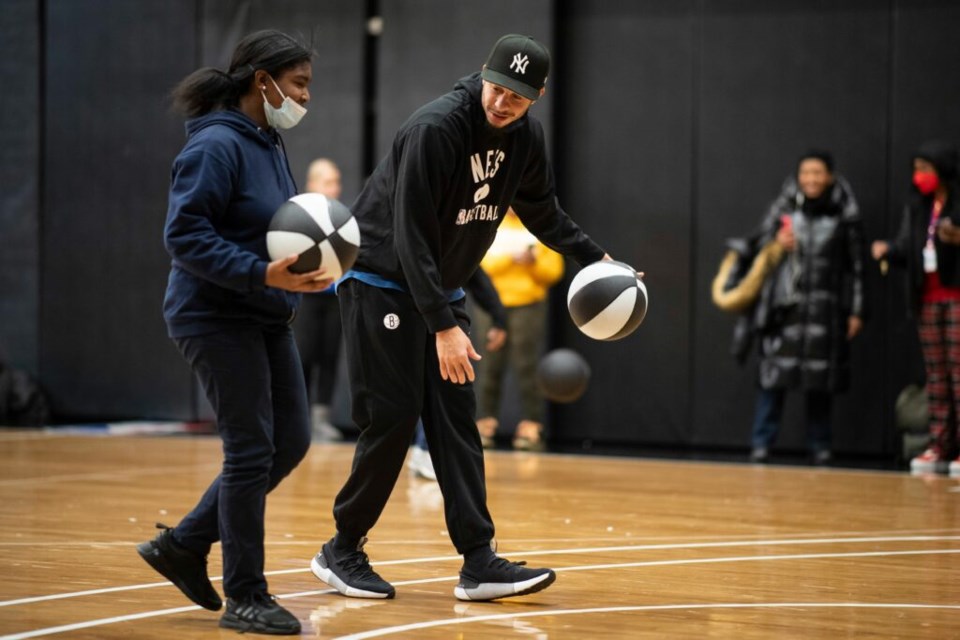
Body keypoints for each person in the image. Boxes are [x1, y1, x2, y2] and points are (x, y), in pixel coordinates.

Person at [309, 34, 615, 602]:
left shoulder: (525, 137)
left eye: (517, 98)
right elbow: (411, 233)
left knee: (456, 420)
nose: (503, 103)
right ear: (482, 75)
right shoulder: (436, 129)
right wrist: (445, 324)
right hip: (380, 278)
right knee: (395, 417)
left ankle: (478, 562)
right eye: (497, 89)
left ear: (538, 95)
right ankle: (341, 550)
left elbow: (542, 211)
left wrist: (598, 259)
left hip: (436, 285)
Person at [137, 30, 327, 635]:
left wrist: (307, 268)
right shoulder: (216, 145)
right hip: (212, 315)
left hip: (262, 311)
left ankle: (184, 544)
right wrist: (259, 271)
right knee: (249, 453)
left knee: (290, 441)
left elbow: (278, 227)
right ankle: (246, 596)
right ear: (261, 80)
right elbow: (184, 236)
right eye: (298, 83)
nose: (304, 96)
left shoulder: (267, 141)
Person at [746, 150, 866, 466]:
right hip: (786, 308)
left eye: (818, 172)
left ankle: (820, 446)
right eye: (805, 173)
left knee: (820, 380)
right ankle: (761, 443)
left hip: (826, 309)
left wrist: (857, 310)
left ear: (829, 176)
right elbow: (755, 246)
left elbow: (857, 267)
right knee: (773, 376)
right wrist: (775, 242)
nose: (811, 179)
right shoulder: (784, 208)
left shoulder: (844, 212)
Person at [872, 140, 960, 476]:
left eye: (925, 168)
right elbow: (909, 246)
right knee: (937, 376)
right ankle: (940, 444)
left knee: (958, 373)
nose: (919, 176)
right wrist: (889, 250)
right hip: (927, 297)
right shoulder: (917, 206)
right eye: (916, 169)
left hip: (956, 295)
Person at [474, 207, 564, 451]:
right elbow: (478, 264)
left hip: (528, 305)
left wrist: (533, 262)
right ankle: (484, 425)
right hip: (491, 306)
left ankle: (531, 427)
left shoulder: (538, 227)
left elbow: (554, 271)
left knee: (527, 366)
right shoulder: (490, 224)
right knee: (488, 364)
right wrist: (510, 259)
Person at [407, 269, 508, 481]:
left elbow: (477, 276)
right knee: (434, 384)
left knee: (433, 385)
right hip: (412, 312)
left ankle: (422, 451)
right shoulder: (422, 245)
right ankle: (424, 452)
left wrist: (499, 318)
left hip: (431, 314)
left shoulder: (459, 247)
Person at [294, 157, 346, 441]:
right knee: (303, 355)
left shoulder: (343, 217)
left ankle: (320, 419)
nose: (334, 188)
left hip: (333, 296)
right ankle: (298, 417)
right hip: (305, 296)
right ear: (312, 184)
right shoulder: (298, 216)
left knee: (330, 356)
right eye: (327, 182)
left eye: (336, 182)